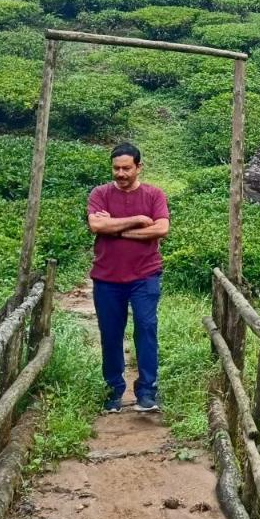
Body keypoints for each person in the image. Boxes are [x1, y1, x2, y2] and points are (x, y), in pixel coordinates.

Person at [87, 142, 170, 414]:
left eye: (126, 168)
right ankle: (113, 391)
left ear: (138, 167)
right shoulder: (100, 194)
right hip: (107, 278)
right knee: (110, 335)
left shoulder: (154, 194)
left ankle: (147, 392)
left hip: (145, 276)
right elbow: (97, 225)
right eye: (116, 168)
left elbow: (161, 228)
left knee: (146, 329)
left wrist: (117, 229)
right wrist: (138, 219)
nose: (120, 173)